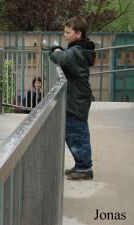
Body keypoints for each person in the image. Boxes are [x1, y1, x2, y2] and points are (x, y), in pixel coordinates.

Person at [49, 16, 96, 180]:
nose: (65, 35)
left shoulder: (78, 51)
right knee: (73, 132)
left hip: (77, 98)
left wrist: (55, 51)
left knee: (77, 133)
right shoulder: (78, 48)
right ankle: (80, 165)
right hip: (76, 97)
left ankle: (84, 168)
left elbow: (62, 59)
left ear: (78, 34)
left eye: (68, 32)